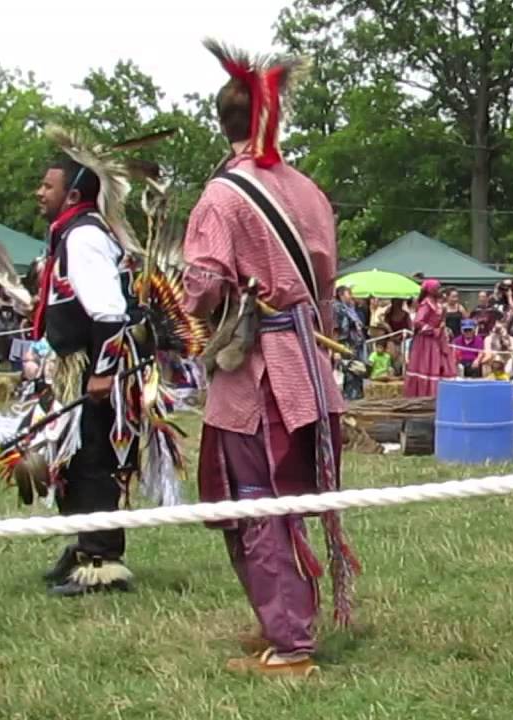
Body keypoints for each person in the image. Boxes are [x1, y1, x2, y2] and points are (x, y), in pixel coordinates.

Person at [184, 40, 358, 678]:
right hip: (309, 370)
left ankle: (290, 644)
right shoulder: (308, 192)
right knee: (282, 499)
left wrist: (189, 306)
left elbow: (201, 288)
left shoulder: (221, 198)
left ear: (224, 122)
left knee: (254, 501)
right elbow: (327, 284)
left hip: (254, 375)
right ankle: (283, 618)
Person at [29, 145, 142, 596]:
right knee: (72, 462)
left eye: (47, 185)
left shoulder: (83, 237)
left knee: (93, 460)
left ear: (74, 192)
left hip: (95, 368)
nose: (40, 193)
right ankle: (84, 546)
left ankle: (102, 561)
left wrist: (101, 373)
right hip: (75, 364)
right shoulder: (70, 233)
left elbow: (111, 314)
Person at [404, 278, 457, 397]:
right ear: (430, 290)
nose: (439, 290)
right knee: (428, 365)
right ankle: (427, 395)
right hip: (427, 341)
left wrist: (442, 326)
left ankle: (442, 395)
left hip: (439, 340)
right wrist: (433, 330)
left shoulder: (437, 304)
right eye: (436, 288)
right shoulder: (426, 304)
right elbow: (418, 322)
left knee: (443, 365)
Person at [334, 286, 367, 400]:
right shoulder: (337, 308)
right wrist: (336, 350)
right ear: (341, 294)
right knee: (349, 374)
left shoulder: (350, 308)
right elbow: (336, 330)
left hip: (355, 346)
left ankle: (356, 398)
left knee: (357, 372)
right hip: (345, 346)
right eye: (349, 294)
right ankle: (350, 400)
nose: (351, 296)